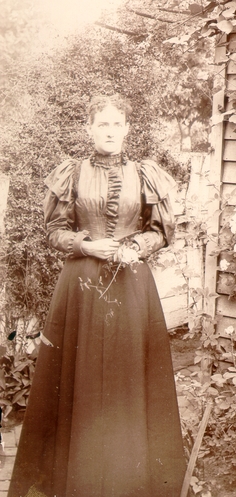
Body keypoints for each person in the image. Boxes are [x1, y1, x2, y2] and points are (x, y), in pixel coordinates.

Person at [8, 94, 186, 497]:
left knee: (130, 375)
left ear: (127, 128)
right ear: (89, 129)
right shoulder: (71, 173)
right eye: (102, 124)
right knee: (80, 372)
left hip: (132, 284)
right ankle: (77, 477)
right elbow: (53, 231)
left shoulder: (146, 174)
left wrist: (136, 247)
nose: (110, 131)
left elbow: (160, 231)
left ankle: (131, 476)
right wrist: (86, 246)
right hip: (80, 286)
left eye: (116, 124)